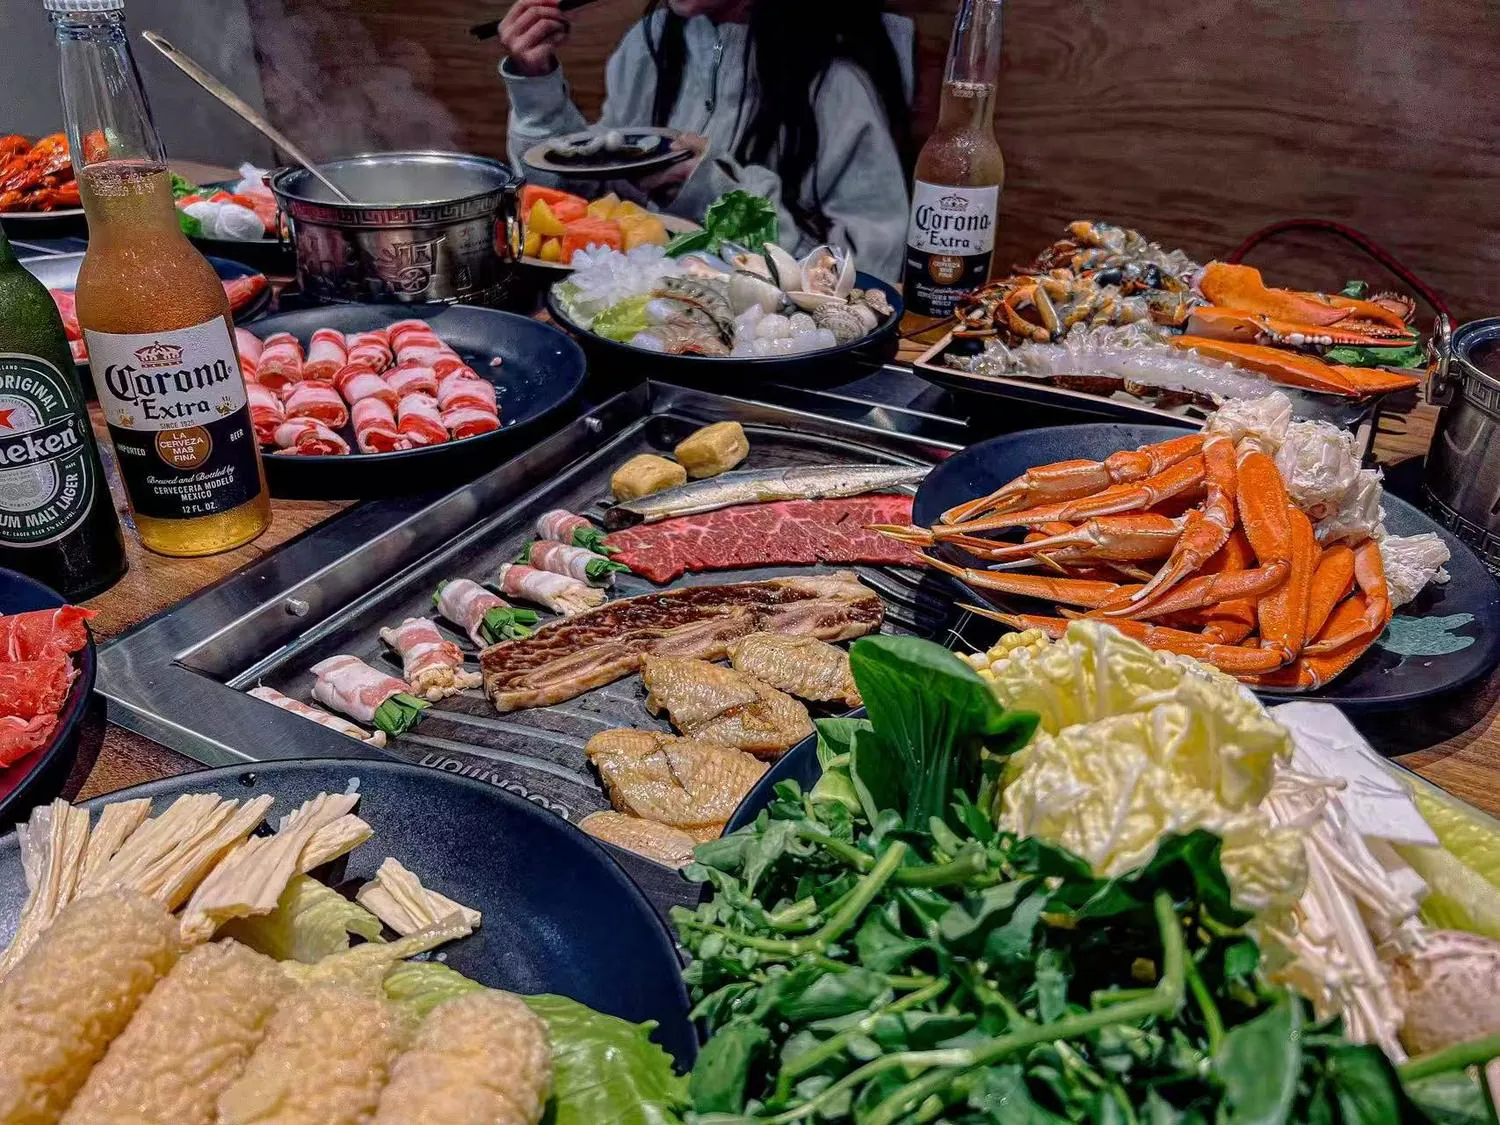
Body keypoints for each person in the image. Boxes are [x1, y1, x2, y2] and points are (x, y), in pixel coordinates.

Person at [498, 0, 914, 282]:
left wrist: (710, 189)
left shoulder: (837, 83)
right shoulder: (652, 44)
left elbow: (869, 275)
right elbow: (583, 206)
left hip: (763, 348)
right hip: (637, 317)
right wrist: (537, 86)